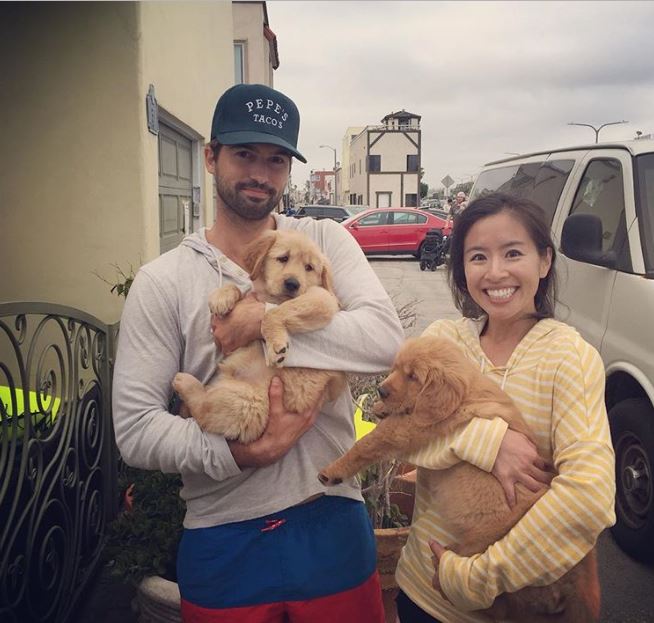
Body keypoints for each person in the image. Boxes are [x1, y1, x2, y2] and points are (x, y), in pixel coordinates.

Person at [111, 83, 406, 622]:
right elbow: (134, 429)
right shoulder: (163, 281)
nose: (260, 173)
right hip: (223, 534)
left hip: (331, 519)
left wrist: (263, 320)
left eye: (276, 160)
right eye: (244, 154)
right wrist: (240, 454)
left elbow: (386, 341)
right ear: (210, 155)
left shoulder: (324, 241)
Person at [394, 192, 616, 622]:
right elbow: (400, 437)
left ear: (545, 262)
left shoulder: (569, 357)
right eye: (478, 257)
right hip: (421, 589)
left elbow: (589, 496)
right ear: (461, 270)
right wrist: (486, 441)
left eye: (513, 253)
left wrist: (476, 578)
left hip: (512, 604)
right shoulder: (444, 342)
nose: (495, 272)